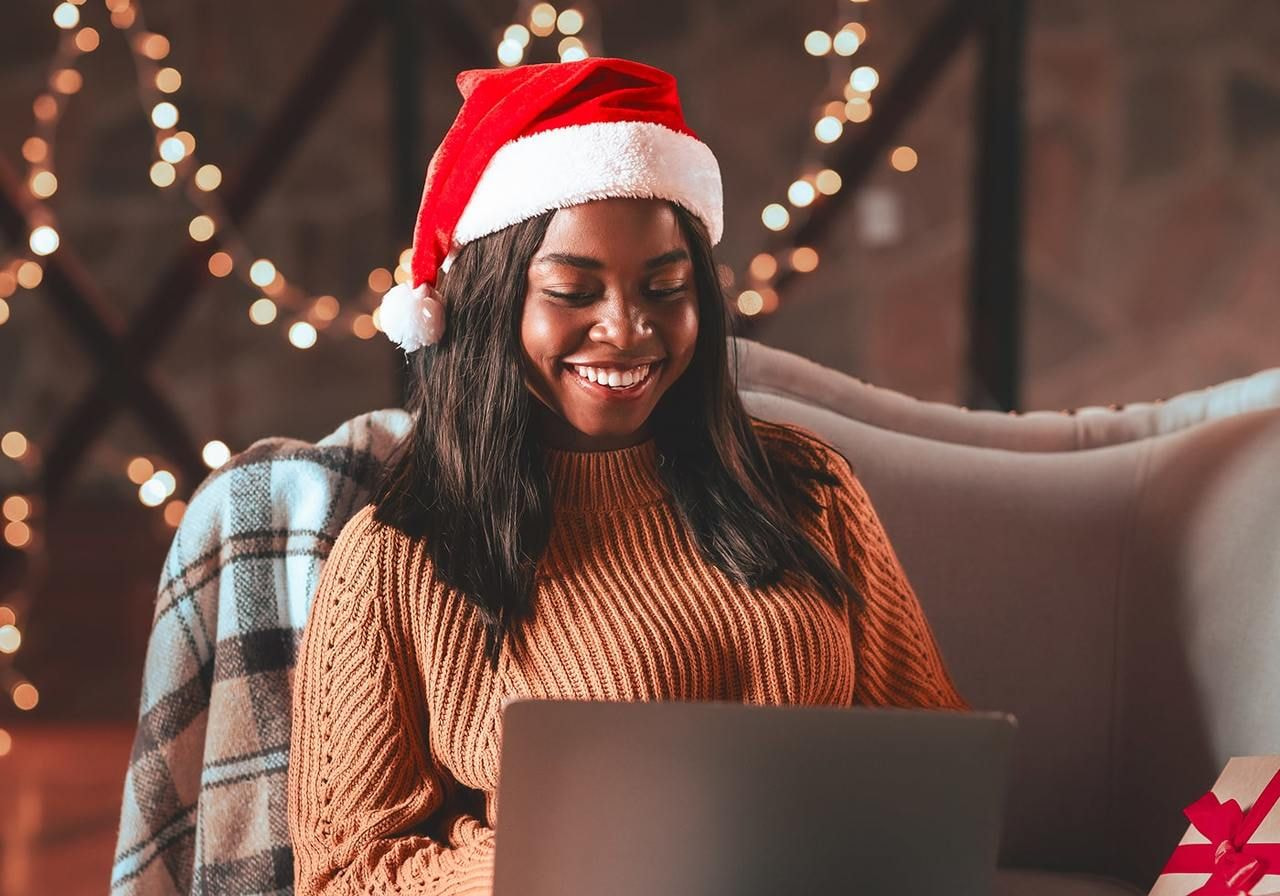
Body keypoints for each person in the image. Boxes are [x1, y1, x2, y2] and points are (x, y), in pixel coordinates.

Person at [287, 57, 969, 896]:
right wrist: (563, 867)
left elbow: (933, 755)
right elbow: (343, 872)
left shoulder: (806, 487)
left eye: (665, 286)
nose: (627, 328)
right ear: (494, 302)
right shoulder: (397, 560)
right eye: (574, 291)